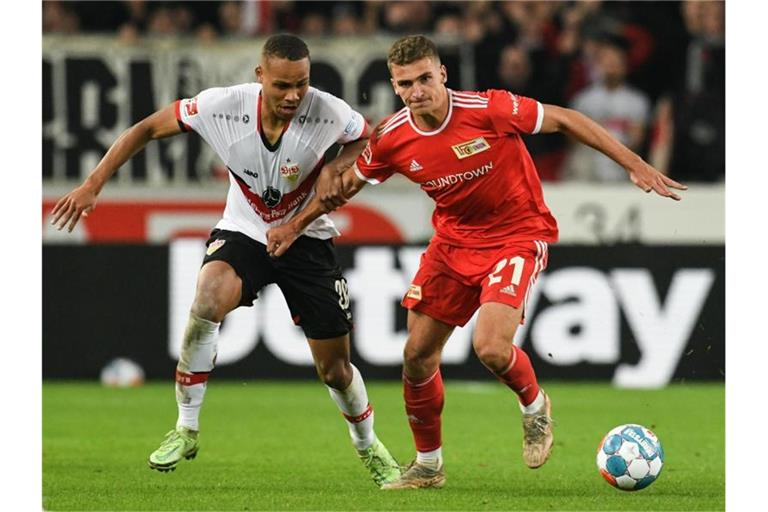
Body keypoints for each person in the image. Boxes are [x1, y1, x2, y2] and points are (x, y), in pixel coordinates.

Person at [265, 35, 686, 490]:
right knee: (417, 357)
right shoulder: (392, 137)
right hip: (452, 244)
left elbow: (566, 119)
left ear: (442, 74)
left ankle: (534, 406)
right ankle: (428, 466)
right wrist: (294, 225)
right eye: (406, 84)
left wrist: (634, 163)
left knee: (490, 348)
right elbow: (346, 187)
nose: (417, 91)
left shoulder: (489, 109)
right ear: (394, 84)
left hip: (517, 236)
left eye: (425, 78)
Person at [50, 34, 401, 488]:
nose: (295, 96)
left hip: (307, 240)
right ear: (260, 77)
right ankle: (186, 427)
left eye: (302, 84)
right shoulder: (221, 107)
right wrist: (93, 183)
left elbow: (367, 141)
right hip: (245, 230)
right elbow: (146, 129)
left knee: (334, 370)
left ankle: (368, 444)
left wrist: (340, 165)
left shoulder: (329, 111)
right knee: (208, 296)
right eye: (282, 86)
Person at [565, 34, 651, 182]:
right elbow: (572, 140)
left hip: (620, 166)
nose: (611, 67)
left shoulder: (637, 101)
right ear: (598, 65)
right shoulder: (583, 100)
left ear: (624, 66)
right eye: (607, 62)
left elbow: (637, 139)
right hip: (587, 165)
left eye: (615, 62)